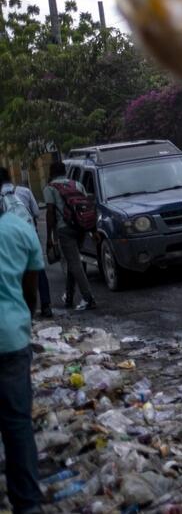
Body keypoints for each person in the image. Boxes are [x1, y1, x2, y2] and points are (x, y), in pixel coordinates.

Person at [0, 191, 47, 513]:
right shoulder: (19, 229)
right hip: (11, 338)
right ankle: (28, 505)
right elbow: (30, 287)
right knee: (17, 424)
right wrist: (23, 318)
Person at [43, 162, 99, 310]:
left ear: (51, 172)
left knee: (74, 264)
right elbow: (87, 207)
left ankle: (89, 298)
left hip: (64, 229)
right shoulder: (77, 185)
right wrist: (93, 231)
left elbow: (50, 213)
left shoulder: (50, 188)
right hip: (80, 228)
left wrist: (49, 237)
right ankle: (69, 297)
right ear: (64, 172)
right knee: (73, 262)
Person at [0, 168, 51, 318]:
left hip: (11, 241)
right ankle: (46, 305)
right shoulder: (24, 191)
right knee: (38, 271)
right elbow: (35, 213)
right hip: (30, 235)